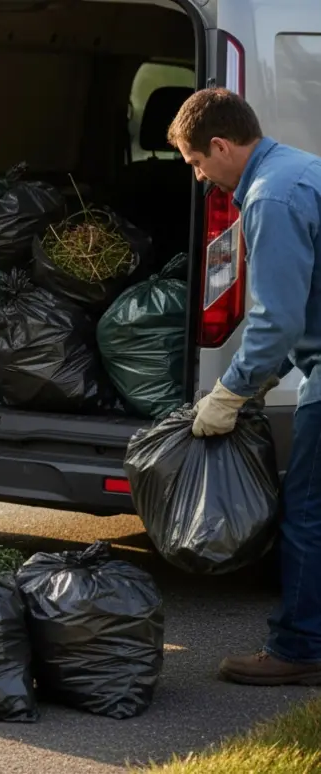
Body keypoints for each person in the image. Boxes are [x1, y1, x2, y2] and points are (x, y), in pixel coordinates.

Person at [168, 87, 321, 685]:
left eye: (197, 162)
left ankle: (300, 649)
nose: (202, 179)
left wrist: (230, 392)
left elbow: (277, 318)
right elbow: (309, 307)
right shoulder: (299, 168)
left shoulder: (269, 197)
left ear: (222, 146)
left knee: (307, 513)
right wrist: (268, 380)